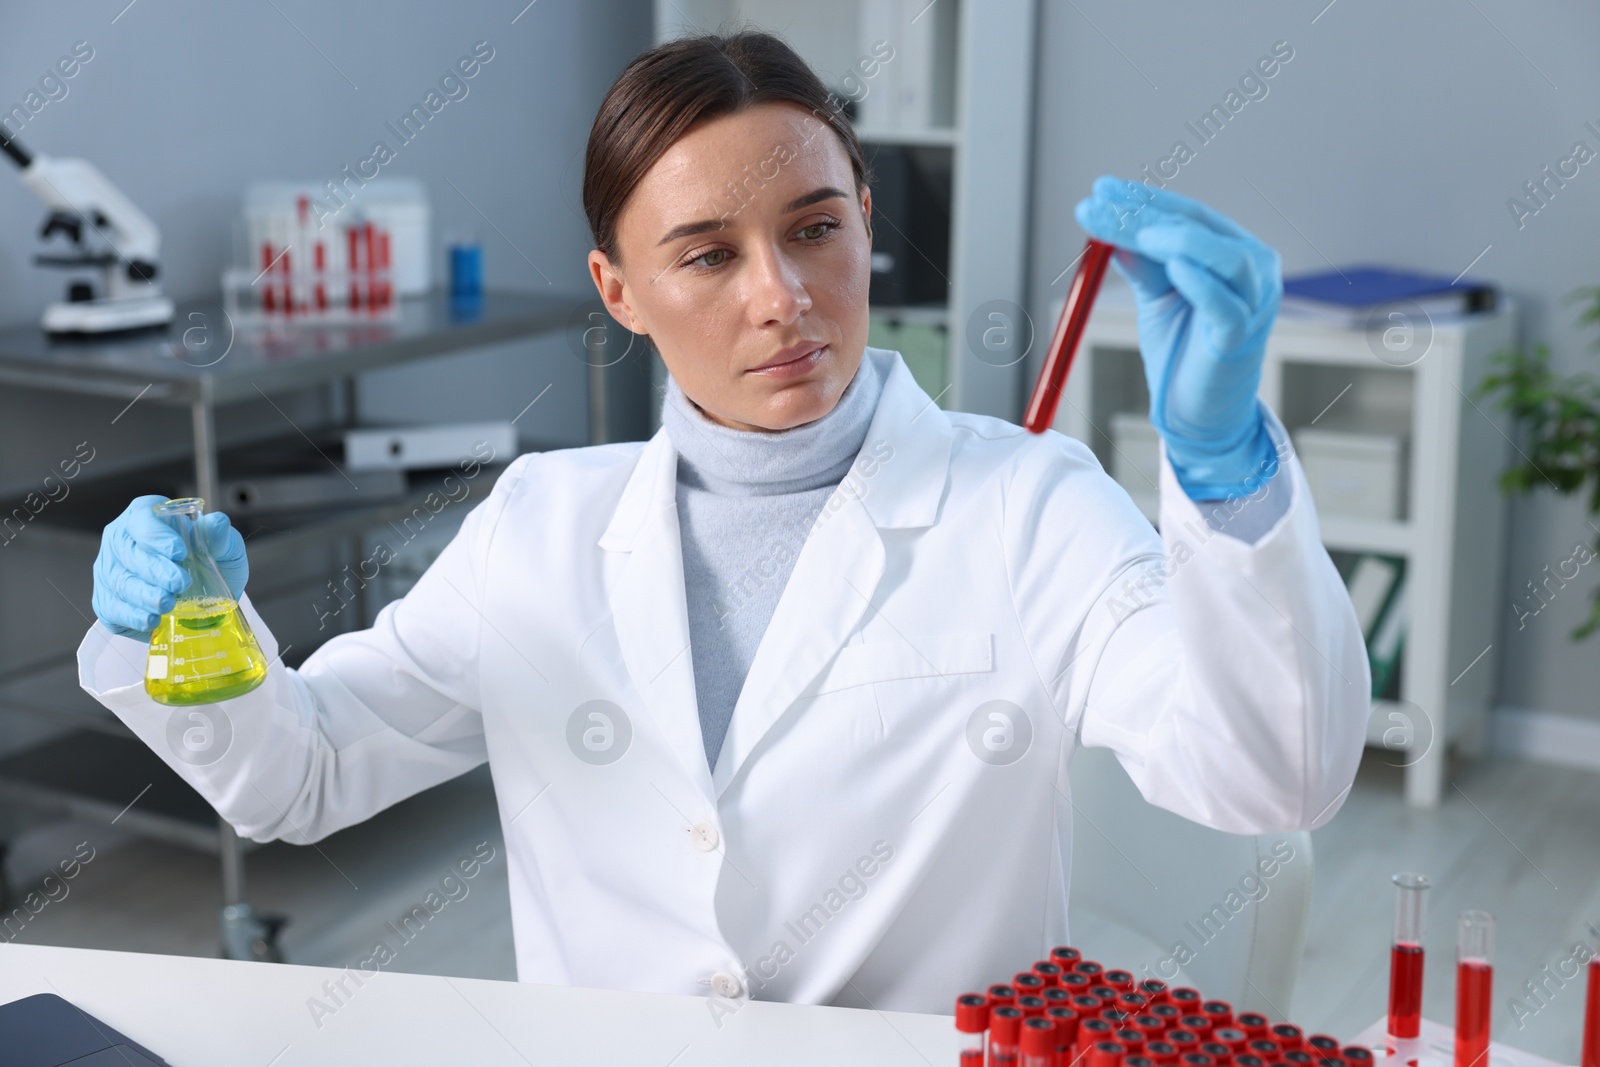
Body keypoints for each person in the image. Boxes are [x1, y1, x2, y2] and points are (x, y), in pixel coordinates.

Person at [80, 31, 1368, 1013]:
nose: (782, 296)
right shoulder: (539, 527)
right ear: (619, 290)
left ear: (866, 223)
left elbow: (1272, 774)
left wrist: (1227, 473)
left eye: (815, 229)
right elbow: (297, 776)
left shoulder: (1032, 506)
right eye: (706, 255)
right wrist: (189, 627)